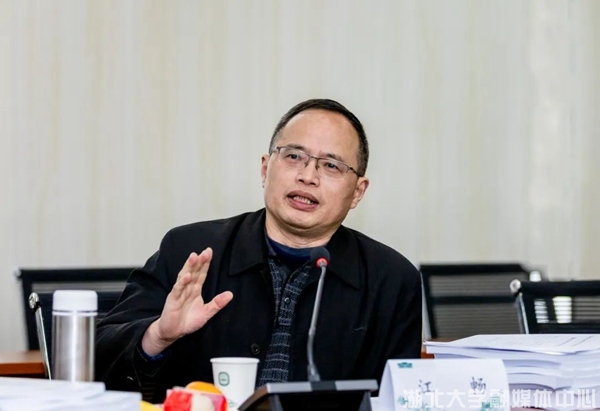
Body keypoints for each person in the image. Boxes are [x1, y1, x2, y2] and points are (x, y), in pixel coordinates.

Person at [95, 98, 422, 402]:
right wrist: (158, 336)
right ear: (265, 169)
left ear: (358, 192)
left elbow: (402, 399)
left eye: (331, 166)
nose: (308, 176)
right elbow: (96, 359)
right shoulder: (191, 252)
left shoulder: (391, 281)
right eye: (294, 156)